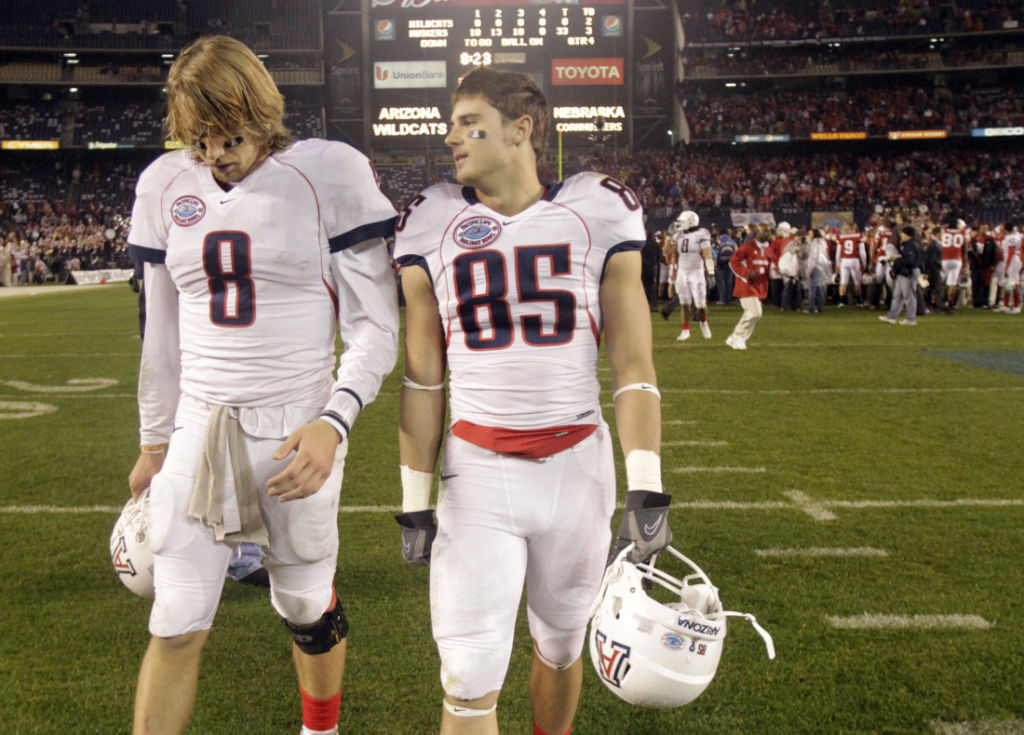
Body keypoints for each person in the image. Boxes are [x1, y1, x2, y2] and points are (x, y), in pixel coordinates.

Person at [124, 36, 399, 735]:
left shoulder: (326, 174)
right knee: (177, 618)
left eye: (228, 134)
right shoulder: (164, 184)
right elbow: (162, 335)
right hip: (199, 426)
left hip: (294, 428)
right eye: (199, 139)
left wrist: (334, 423)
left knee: (305, 605)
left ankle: (320, 729)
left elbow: (376, 327)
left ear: (261, 109)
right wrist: (154, 442)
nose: (214, 154)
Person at [392, 67, 669, 735]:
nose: (451, 134)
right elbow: (422, 376)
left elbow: (633, 362)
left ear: (522, 130)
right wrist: (412, 496)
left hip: (578, 467)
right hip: (476, 472)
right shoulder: (431, 220)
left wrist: (648, 485)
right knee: (468, 673)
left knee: (562, 644)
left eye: (468, 121)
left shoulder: (598, 208)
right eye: (451, 122)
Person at [660, 209, 713, 341]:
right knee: (684, 303)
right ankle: (685, 330)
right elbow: (666, 251)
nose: (679, 224)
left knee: (700, 305)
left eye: (682, 222)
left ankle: (704, 323)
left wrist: (711, 272)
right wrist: (669, 237)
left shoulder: (702, 233)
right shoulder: (678, 235)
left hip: (697, 271)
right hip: (682, 272)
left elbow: (707, 254)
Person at [726, 221, 772, 350]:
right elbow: (733, 262)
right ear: (757, 233)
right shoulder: (747, 247)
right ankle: (737, 336)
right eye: (765, 230)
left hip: (758, 286)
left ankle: (739, 337)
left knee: (756, 314)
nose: (768, 233)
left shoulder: (768, 249)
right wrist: (746, 273)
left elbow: (768, 267)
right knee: (754, 312)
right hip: (745, 284)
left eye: (769, 230)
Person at [879, 225, 921, 326]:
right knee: (897, 295)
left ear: (908, 235)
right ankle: (892, 316)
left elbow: (910, 260)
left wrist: (896, 260)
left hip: (908, 272)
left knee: (909, 296)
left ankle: (911, 318)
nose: (901, 235)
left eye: (903, 233)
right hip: (903, 272)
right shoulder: (907, 244)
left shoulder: (911, 245)